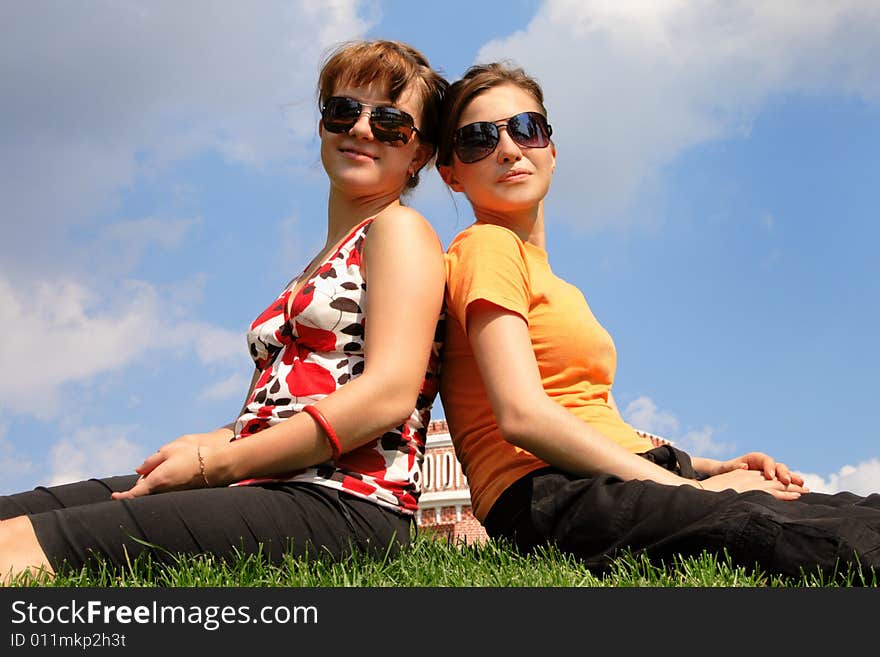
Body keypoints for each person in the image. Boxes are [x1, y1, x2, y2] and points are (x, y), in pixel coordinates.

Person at [0, 39, 449, 584]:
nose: (360, 129)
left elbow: (388, 394)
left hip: (344, 504)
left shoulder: (400, 231)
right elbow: (286, 406)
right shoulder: (323, 259)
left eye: (390, 123)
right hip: (271, 483)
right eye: (343, 110)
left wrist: (220, 464)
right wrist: (214, 440)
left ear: (419, 153)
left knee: (18, 547)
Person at [436, 62, 880, 582]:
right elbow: (523, 416)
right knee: (832, 545)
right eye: (478, 140)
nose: (509, 149)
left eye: (526, 128)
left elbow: (595, 416)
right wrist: (690, 492)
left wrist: (712, 468)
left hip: (609, 476)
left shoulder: (557, 283)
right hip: (548, 490)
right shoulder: (486, 248)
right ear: (451, 173)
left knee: (858, 511)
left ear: (551, 152)